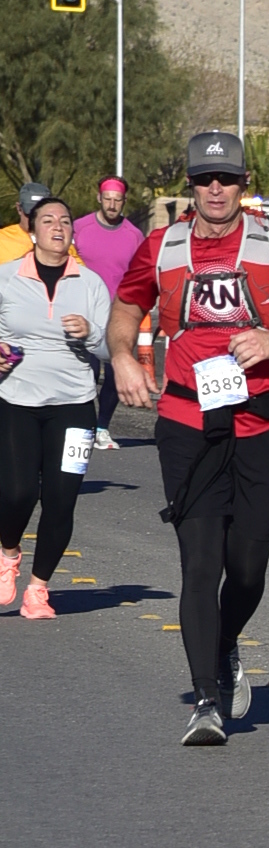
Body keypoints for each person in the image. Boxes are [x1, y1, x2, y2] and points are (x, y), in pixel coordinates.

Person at [109, 128, 269, 746]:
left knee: (247, 567)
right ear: (190, 185)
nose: (215, 189)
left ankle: (224, 643)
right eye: (204, 179)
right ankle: (206, 703)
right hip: (188, 423)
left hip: (262, 421)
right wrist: (123, 356)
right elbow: (127, 308)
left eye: (227, 179)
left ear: (244, 184)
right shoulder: (162, 247)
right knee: (199, 562)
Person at [0, 194, 113, 621]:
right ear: (32, 229)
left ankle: (38, 589)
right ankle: (8, 552)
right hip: (17, 399)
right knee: (18, 492)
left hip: (75, 404)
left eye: (65, 221)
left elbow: (110, 347)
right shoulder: (6, 278)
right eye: (47, 220)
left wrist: (90, 332)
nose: (58, 227)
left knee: (61, 499)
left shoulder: (91, 284)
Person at [73, 178, 145, 436]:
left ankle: (102, 428)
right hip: (83, 311)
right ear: (99, 198)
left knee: (115, 373)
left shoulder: (134, 235)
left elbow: (141, 275)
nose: (112, 205)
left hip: (118, 314)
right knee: (87, 373)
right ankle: (84, 426)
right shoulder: (79, 228)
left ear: (124, 202)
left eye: (117, 200)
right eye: (108, 199)